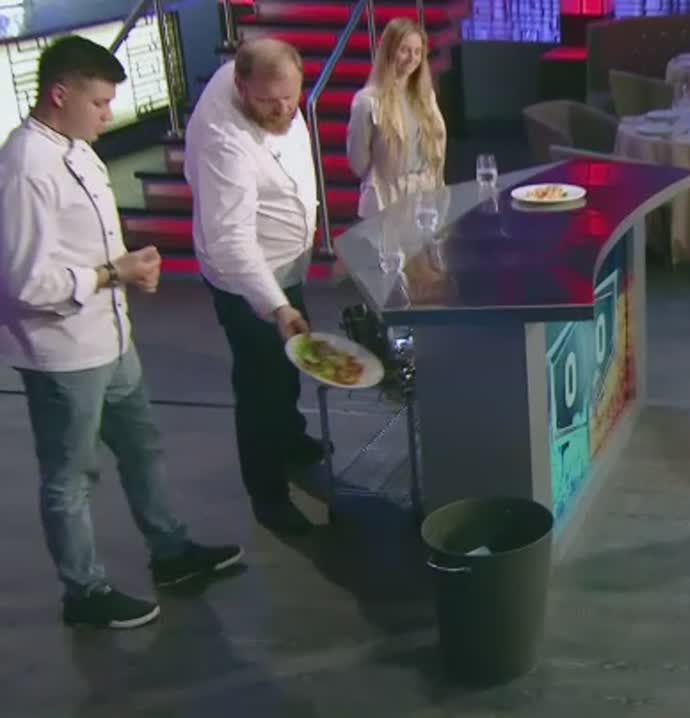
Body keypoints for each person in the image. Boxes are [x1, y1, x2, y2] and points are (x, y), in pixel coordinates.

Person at [0, 36, 242, 629]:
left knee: (142, 448)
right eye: (100, 103)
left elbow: (84, 247)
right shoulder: (25, 167)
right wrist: (114, 273)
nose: (109, 115)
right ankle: (83, 592)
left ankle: (171, 552)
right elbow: (25, 283)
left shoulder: (79, 151)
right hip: (63, 355)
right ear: (60, 94)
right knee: (70, 478)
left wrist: (128, 266)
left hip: (111, 338)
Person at [184, 38, 327, 534]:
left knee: (290, 365)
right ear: (241, 88)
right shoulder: (226, 143)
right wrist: (276, 305)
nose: (284, 109)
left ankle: (291, 438)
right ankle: (268, 495)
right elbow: (231, 243)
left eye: (291, 96)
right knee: (261, 383)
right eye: (269, 101)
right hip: (246, 279)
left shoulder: (266, 88)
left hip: (285, 265)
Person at [346, 18, 448, 218]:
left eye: (417, 52)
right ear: (389, 51)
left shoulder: (426, 97)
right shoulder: (367, 101)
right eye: (405, 50)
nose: (412, 58)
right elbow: (358, 162)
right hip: (386, 202)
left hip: (426, 199)